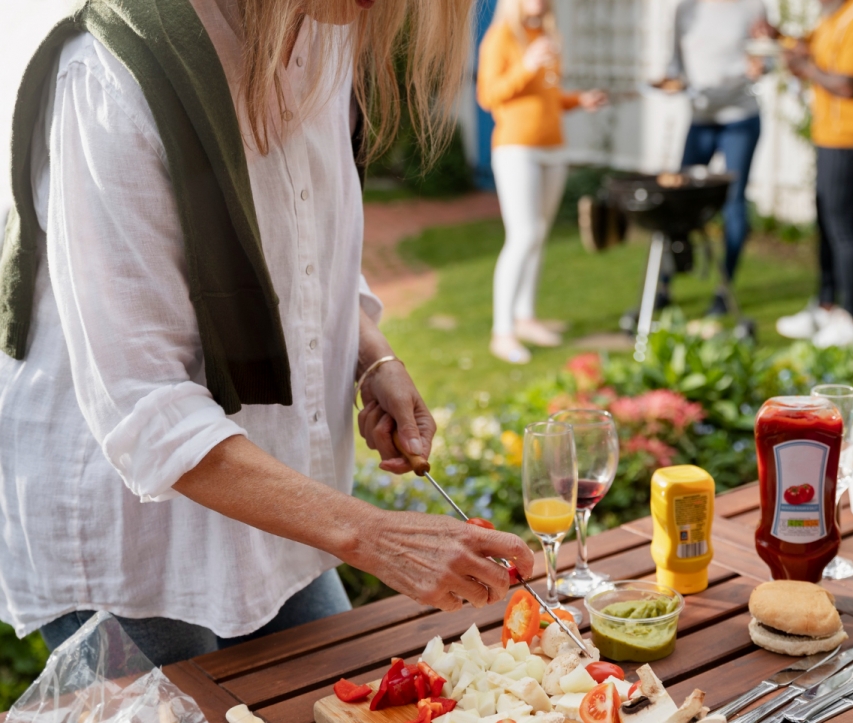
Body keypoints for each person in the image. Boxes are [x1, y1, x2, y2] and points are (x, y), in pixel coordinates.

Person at [0, 0, 533, 665]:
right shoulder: (110, 74)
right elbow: (143, 403)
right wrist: (371, 533)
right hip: (134, 539)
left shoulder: (328, 33)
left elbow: (301, 244)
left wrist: (374, 357)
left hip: (278, 506)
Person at [477, 0, 606, 365]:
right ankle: (502, 332)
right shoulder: (501, 37)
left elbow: (546, 97)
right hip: (517, 149)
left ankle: (526, 318)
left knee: (539, 234)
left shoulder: (547, 34)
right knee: (523, 235)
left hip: (553, 149)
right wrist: (526, 65)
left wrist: (579, 100)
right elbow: (489, 95)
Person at [766, 0, 853, 348]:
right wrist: (778, 37)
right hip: (830, 136)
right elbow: (809, 50)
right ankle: (826, 307)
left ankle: (852, 318)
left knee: (842, 225)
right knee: (826, 221)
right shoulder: (832, 16)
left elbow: (848, 84)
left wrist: (804, 68)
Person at [656, 0, 766, 317]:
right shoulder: (685, 9)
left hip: (740, 119)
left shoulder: (751, 7)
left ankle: (723, 291)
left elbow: (764, 59)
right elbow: (675, 65)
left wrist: (760, 67)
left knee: (734, 203)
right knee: (676, 198)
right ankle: (663, 285)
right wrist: (669, 81)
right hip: (701, 119)